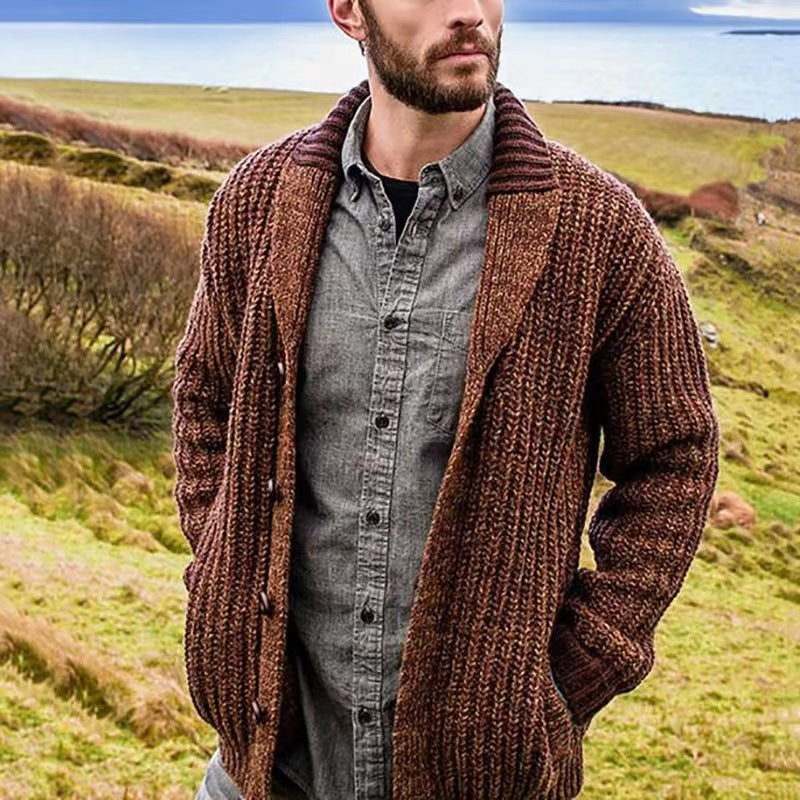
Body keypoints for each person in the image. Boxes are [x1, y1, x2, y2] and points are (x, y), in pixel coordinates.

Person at [173, 1, 720, 799]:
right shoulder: (258, 203)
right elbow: (204, 400)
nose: (468, 12)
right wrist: (225, 563)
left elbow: (675, 456)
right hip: (263, 768)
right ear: (348, 12)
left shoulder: (600, 230)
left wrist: (574, 669)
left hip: (483, 774)